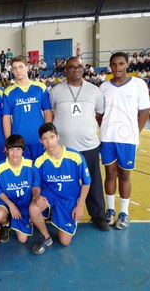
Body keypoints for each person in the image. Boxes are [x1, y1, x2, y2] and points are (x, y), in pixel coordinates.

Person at [49, 57, 109, 231]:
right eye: (71, 67)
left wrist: (85, 128)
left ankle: (98, 215)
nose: (75, 70)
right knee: (62, 181)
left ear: (83, 69)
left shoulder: (94, 91)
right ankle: (58, 213)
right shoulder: (56, 91)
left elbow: (99, 114)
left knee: (94, 181)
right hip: (64, 148)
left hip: (89, 145)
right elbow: (51, 113)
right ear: (65, 70)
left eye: (79, 67)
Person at [100, 52, 150, 229]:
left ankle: (124, 212)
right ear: (110, 66)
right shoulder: (104, 87)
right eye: (114, 64)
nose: (117, 67)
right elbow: (99, 113)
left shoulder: (139, 84)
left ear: (127, 65)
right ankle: (110, 210)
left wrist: (135, 132)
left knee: (124, 175)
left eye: (121, 63)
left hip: (127, 139)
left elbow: (144, 111)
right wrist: (102, 127)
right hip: (107, 137)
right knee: (110, 174)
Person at [29, 123, 91, 255]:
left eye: (51, 137)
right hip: (50, 196)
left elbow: (86, 183)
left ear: (57, 136)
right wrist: (36, 196)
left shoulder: (75, 157)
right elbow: (36, 186)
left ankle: (57, 218)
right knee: (33, 208)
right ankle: (46, 237)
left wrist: (80, 206)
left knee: (64, 241)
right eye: (45, 139)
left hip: (69, 198)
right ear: (41, 141)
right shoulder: (39, 161)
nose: (49, 142)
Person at [2, 55, 53, 160]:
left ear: (27, 67)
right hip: (19, 141)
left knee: (40, 171)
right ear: (12, 71)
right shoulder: (9, 92)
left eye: (21, 67)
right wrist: (9, 141)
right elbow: (6, 118)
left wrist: (47, 136)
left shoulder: (40, 87)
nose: (18, 71)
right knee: (24, 173)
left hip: (38, 139)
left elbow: (47, 112)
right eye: (15, 68)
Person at [0, 135, 33, 244]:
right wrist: (10, 205)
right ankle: (6, 223)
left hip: (24, 203)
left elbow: (36, 188)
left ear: (23, 150)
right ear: (6, 149)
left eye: (18, 149)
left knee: (22, 239)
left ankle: (14, 217)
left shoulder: (31, 165)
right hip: (6, 201)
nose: (15, 153)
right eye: (12, 149)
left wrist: (34, 211)